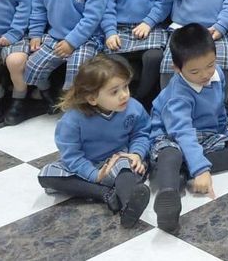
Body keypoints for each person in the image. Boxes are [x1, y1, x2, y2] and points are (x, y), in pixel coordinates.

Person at [149, 24, 228, 233]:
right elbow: (182, 133)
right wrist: (202, 170)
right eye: (194, 71)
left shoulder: (217, 74)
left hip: (205, 134)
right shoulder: (179, 95)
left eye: (210, 65)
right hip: (171, 135)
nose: (205, 74)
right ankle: (168, 193)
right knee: (170, 154)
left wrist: (223, 132)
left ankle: (181, 173)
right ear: (177, 68)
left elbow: (220, 106)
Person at [36, 56, 151, 228]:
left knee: (127, 168)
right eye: (114, 91)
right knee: (47, 174)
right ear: (92, 98)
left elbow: (142, 133)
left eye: (125, 86)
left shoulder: (133, 107)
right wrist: (94, 175)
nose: (124, 95)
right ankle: (105, 194)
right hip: (86, 165)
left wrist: (136, 154)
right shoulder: (72, 120)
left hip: (118, 160)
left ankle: (128, 205)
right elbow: (72, 156)